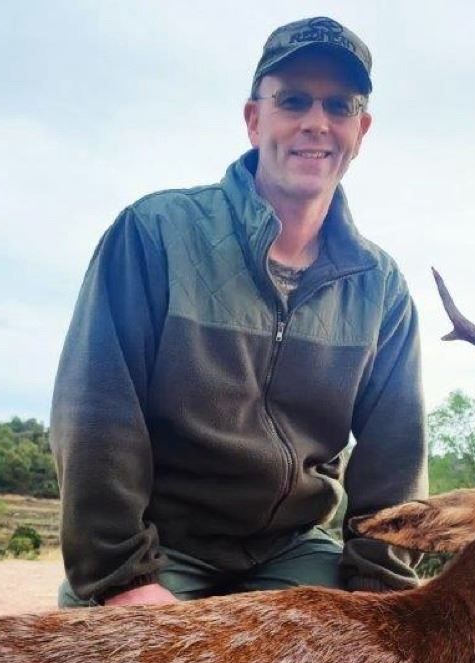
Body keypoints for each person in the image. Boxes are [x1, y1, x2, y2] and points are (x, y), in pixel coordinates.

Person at [50, 16, 427, 607]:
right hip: (160, 547)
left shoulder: (381, 288)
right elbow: (96, 414)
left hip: (293, 547)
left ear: (362, 129)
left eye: (339, 106)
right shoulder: (154, 235)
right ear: (254, 120)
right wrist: (123, 579)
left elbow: (395, 460)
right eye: (293, 101)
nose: (316, 123)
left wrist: (378, 590)